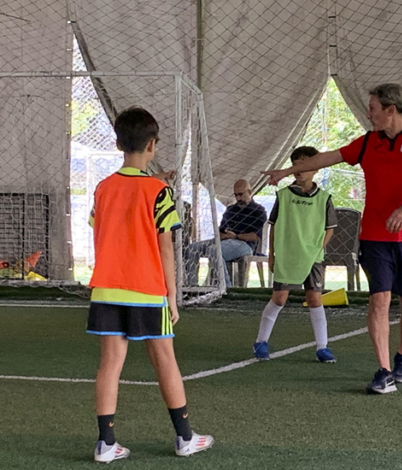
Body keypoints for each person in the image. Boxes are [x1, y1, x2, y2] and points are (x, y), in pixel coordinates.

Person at [263, 83, 402, 394]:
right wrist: (285, 170)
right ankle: (384, 371)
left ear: (391, 109)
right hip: (374, 237)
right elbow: (325, 158)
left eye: (373, 109)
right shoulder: (367, 143)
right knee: (379, 300)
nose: (368, 115)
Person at [87, 107, 213, 463]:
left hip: (107, 289)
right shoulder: (160, 191)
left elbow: (96, 228)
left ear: (117, 143)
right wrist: (173, 297)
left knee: (109, 365)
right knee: (165, 362)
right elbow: (167, 250)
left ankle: (105, 444)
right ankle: (185, 438)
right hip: (146, 290)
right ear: (153, 145)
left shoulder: (102, 188)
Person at [253, 146, 338, 363]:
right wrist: (272, 253)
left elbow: (330, 228)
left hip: (313, 258)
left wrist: (317, 248)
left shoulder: (325, 198)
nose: (300, 169)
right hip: (288, 254)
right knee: (279, 298)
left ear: (316, 168)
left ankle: (322, 347)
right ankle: (261, 342)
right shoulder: (283, 195)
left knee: (315, 299)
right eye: (296, 164)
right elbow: (273, 226)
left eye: (305, 164)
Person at [184, 179, 267, 287]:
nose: (238, 198)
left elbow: (256, 237)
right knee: (191, 248)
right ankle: (192, 286)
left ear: (249, 192)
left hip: (245, 245)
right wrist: (222, 236)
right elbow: (220, 230)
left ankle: (226, 287)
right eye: (236, 195)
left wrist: (236, 236)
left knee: (214, 250)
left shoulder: (258, 211)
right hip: (225, 240)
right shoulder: (231, 209)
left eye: (241, 194)